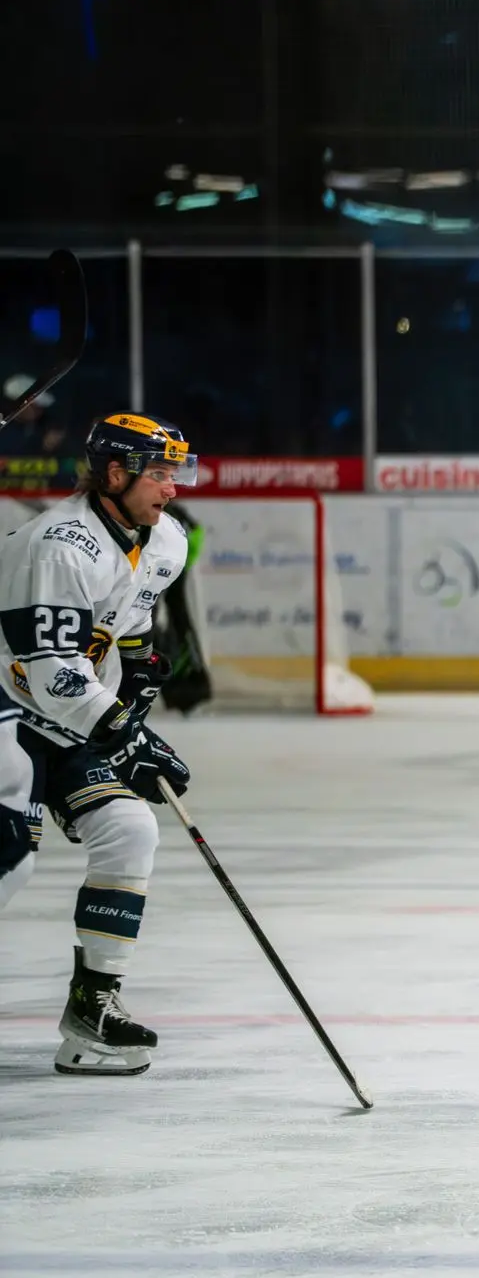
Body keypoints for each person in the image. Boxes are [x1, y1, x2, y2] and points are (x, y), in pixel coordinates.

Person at [0, 412, 197, 1075]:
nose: (172, 487)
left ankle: (92, 1011)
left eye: (175, 472)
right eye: (159, 472)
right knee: (9, 858)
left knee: (130, 830)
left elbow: (128, 620)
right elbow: (53, 670)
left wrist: (136, 675)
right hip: (8, 711)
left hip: (68, 720)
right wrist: (122, 731)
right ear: (115, 474)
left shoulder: (164, 538)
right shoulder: (60, 545)